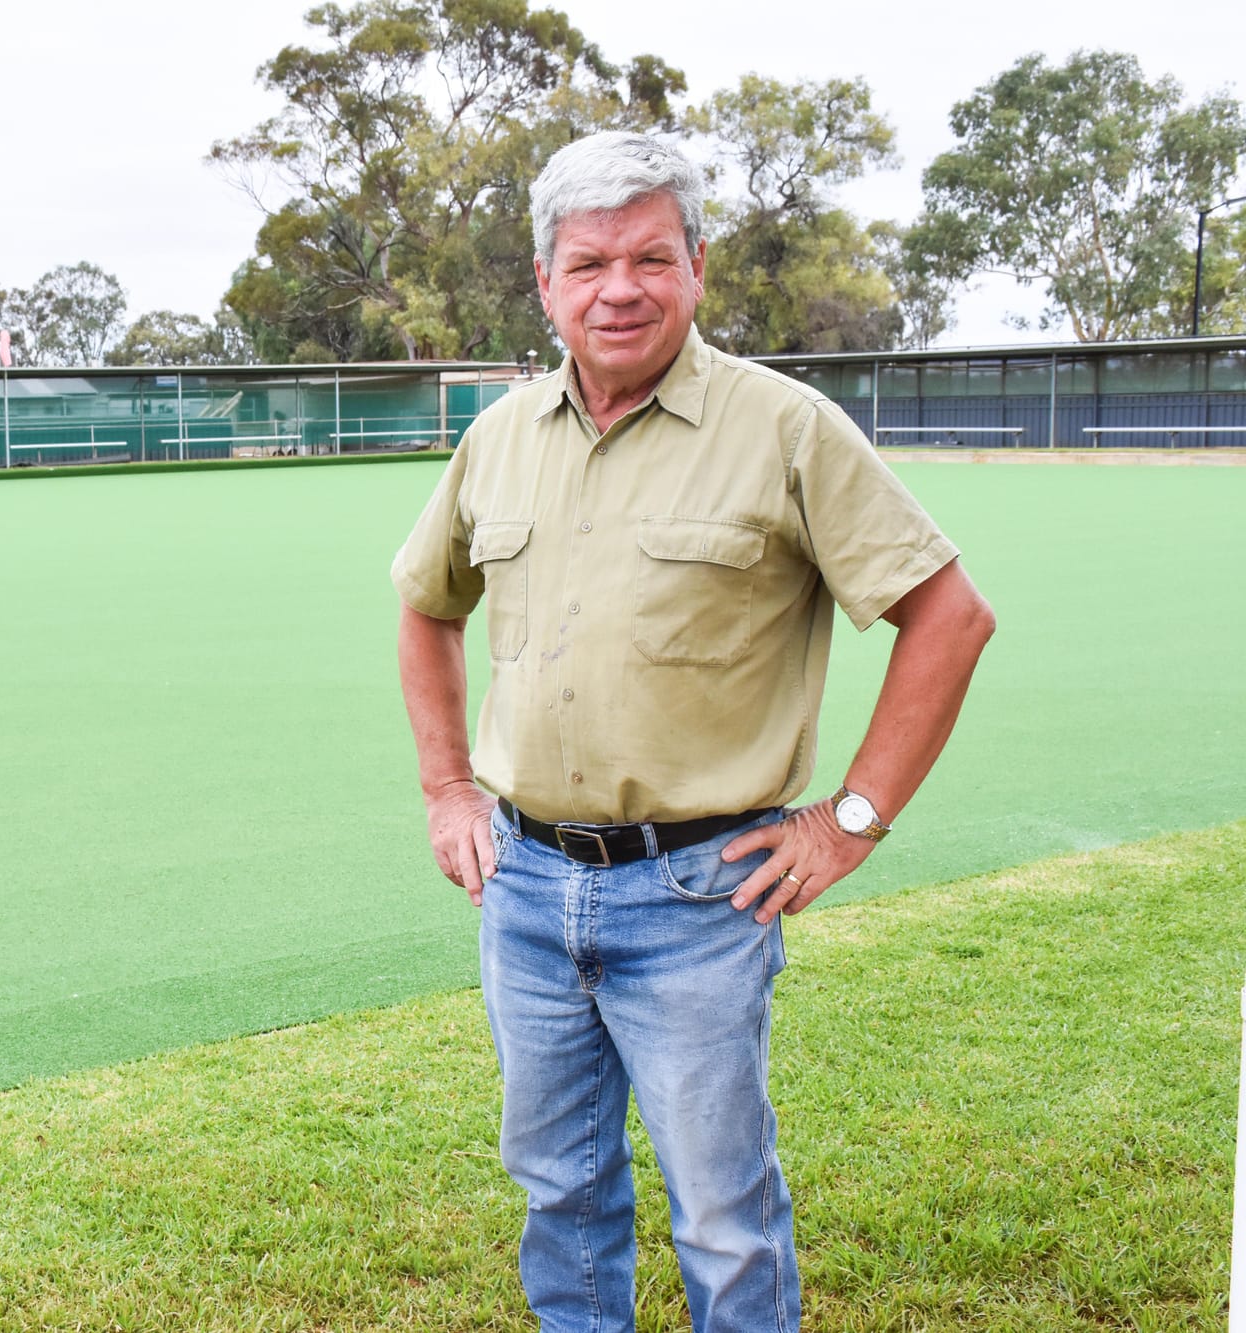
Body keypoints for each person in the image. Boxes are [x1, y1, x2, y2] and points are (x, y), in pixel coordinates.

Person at [391, 131, 995, 1333]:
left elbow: (949, 615)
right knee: (556, 1186)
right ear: (545, 283)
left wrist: (851, 821)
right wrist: (445, 788)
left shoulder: (783, 428)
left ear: (696, 265)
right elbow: (423, 604)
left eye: (649, 257)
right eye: (588, 264)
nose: (619, 287)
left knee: (721, 1207)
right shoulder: (497, 438)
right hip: (524, 888)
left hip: (698, 895)